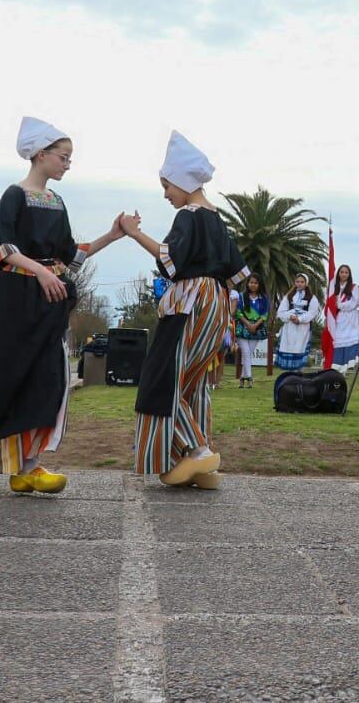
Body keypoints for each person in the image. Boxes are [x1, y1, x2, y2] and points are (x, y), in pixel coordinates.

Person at [0, 118, 128, 497]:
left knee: (42, 381)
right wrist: (41, 273)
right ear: (40, 154)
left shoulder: (56, 201)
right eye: (63, 157)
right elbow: (1, 250)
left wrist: (112, 236)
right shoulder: (14, 196)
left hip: (45, 304)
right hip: (11, 298)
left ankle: (27, 466)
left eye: (69, 158)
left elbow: (67, 256)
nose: (67, 164)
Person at [121, 131, 249, 487]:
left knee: (163, 379)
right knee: (193, 382)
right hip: (217, 302)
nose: (166, 194)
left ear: (180, 180)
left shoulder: (189, 216)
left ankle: (196, 450)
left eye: (167, 186)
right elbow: (238, 274)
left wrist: (133, 233)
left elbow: (169, 260)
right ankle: (199, 466)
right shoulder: (217, 219)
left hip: (189, 302)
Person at [274, 273, 320, 372]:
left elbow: (312, 313)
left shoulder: (312, 298)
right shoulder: (289, 296)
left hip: (302, 329)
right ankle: (289, 376)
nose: (299, 284)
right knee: (289, 349)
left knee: (300, 349)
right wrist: (290, 316)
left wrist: (300, 319)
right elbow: (280, 312)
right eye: (297, 282)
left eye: (302, 282)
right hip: (289, 328)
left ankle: (299, 375)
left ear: (306, 283)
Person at [325, 263, 359, 371]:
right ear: (338, 274)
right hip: (338, 318)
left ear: (349, 274)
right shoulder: (333, 287)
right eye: (342, 272)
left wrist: (341, 305)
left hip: (350, 318)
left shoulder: (353, 287)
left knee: (350, 340)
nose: (344, 274)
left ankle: (348, 366)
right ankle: (337, 367)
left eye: (346, 272)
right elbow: (328, 301)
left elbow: (354, 302)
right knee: (338, 341)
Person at [234, 274, 270, 388]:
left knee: (248, 354)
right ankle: (249, 377)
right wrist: (248, 324)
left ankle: (242, 378)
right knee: (245, 352)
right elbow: (238, 312)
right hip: (242, 327)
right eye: (251, 282)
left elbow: (265, 315)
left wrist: (255, 325)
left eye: (255, 283)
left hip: (257, 329)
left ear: (259, 285)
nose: (253, 285)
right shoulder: (241, 296)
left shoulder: (263, 298)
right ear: (247, 284)